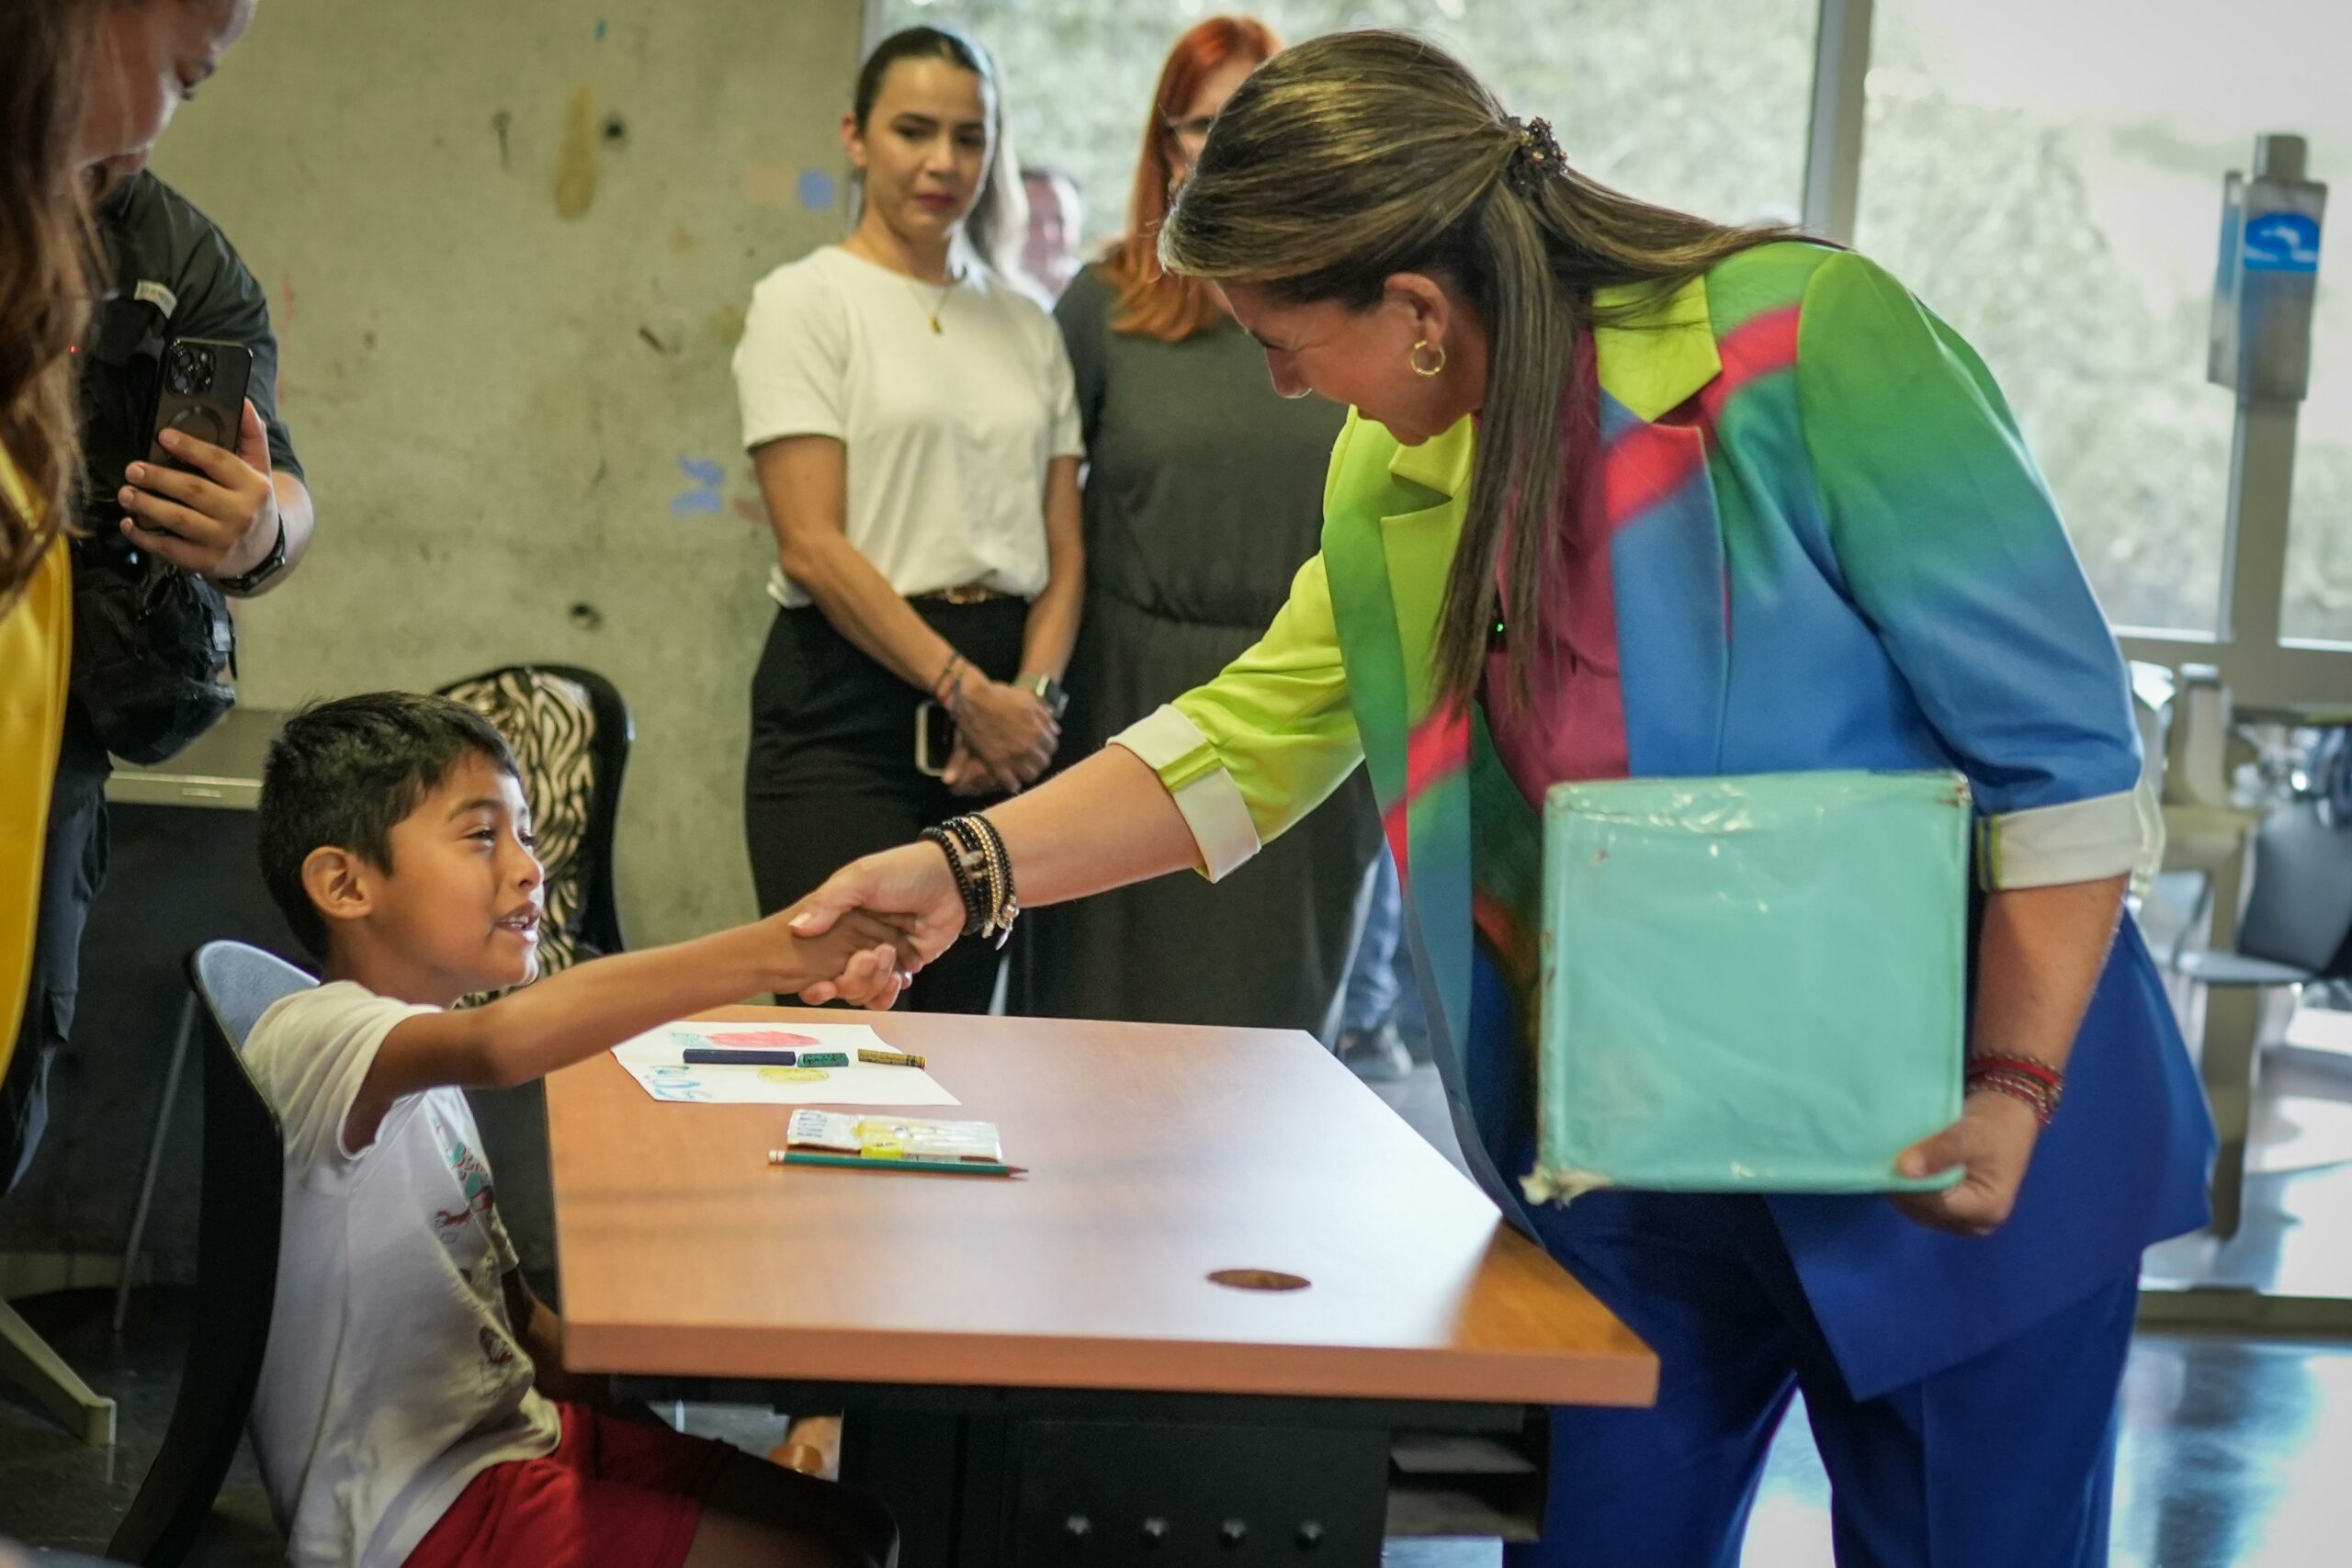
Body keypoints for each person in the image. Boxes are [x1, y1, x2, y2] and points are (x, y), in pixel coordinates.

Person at [789, 31, 2215, 1567]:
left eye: (1282, 336)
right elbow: (1253, 734)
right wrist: (971, 863)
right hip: (1638, 1160)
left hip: (1958, 1119)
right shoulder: (1388, 468)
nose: (1276, 379)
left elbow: (2062, 754)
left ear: (1413, 308)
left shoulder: (1806, 349)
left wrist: (2010, 1088)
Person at [244, 693, 906, 1568]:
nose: (529, 868)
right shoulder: (318, 1035)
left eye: (524, 833)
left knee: (862, 1529)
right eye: (482, 835)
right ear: (345, 883)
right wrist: (779, 949)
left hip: (517, 1435)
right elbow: (506, 1040)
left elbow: (524, 1328)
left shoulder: (421, 1068)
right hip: (415, 1515)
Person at [1023, 16, 1382, 1041]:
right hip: (1127, 697)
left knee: (1268, 1039)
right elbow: (1046, 527)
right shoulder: (1102, 307)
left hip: (1306, 708)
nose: (1224, 147)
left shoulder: (1360, 306)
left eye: (1252, 122)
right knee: (1095, 1028)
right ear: (1163, 146)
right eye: (1199, 125)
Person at [733, 25, 1082, 1015]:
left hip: (1009, 719)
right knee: (844, 1014)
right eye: (914, 131)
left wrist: (1028, 706)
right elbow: (811, 543)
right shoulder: (805, 302)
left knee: (963, 1034)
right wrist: (963, 691)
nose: (943, 163)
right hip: (846, 711)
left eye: (969, 138)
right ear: (856, 136)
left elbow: (1065, 557)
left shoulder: (1026, 323)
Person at [3, 154, 317, 1190]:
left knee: (10, 1058)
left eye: (191, 80)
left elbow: (280, 493)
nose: (147, 118)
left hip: (46, 728)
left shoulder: (180, 262)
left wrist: (259, 533)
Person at [1018, 163, 1082, 301]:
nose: (1047, 234)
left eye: (1060, 221)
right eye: (1031, 219)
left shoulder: (1096, 292)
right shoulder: (982, 296)